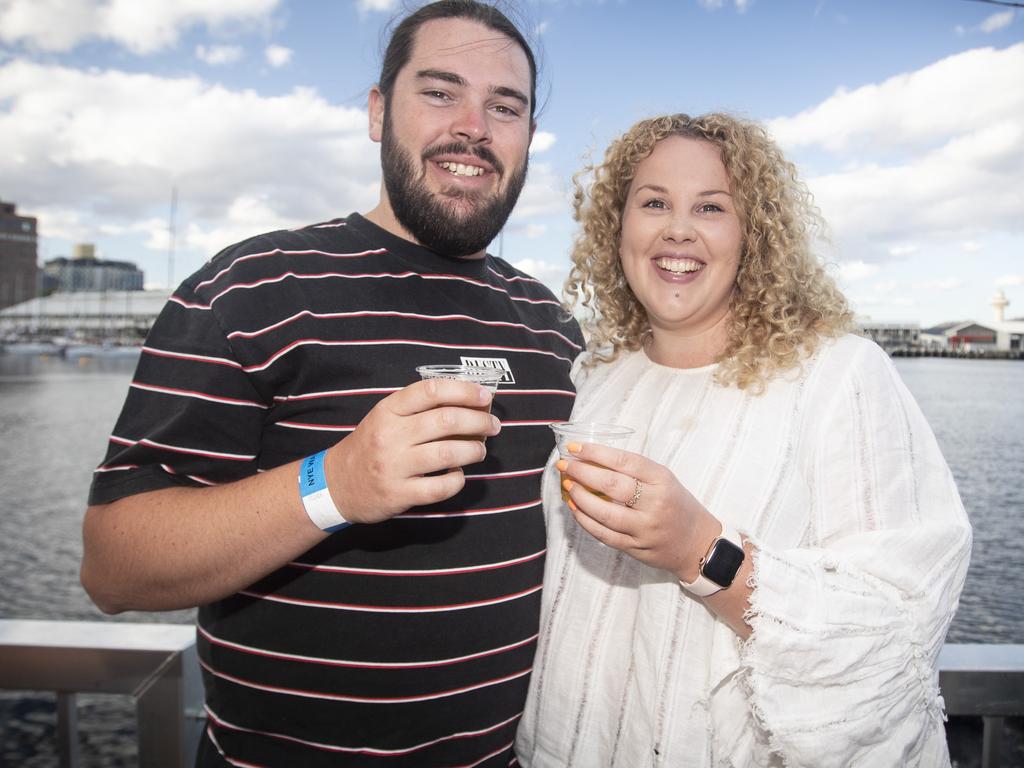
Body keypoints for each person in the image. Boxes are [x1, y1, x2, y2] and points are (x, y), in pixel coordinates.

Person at [81, 2, 583, 766]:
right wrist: (336, 484)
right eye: (441, 91)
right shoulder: (248, 290)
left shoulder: (552, 326)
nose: (474, 126)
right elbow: (113, 566)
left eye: (504, 106)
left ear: (527, 139)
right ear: (379, 113)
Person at [515, 113, 971, 767]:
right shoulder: (596, 374)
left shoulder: (837, 375)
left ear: (752, 234)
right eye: (653, 203)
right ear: (619, 227)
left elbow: (896, 625)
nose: (678, 228)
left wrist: (701, 550)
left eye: (711, 206)